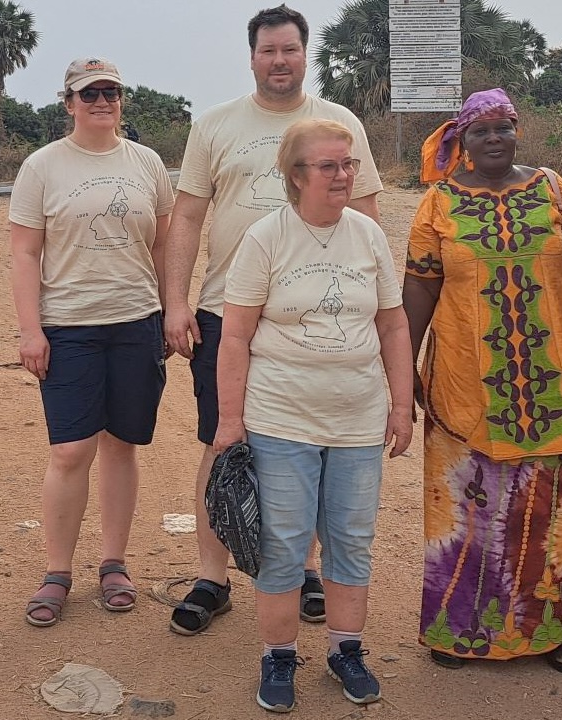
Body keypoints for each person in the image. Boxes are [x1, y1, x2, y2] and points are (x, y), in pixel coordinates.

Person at [162, 3, 384, 635]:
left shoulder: (339, 124)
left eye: (290, 50)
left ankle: (303, 569)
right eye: (268, 51)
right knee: (223, 439)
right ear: (252, 56)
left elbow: (365, 217)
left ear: (304, 54)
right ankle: (212, 575)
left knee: (310, 444)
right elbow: (186, 217)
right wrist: (176, 303)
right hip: (226, 314)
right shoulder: (215, 127)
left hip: (319, 318)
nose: (279, 61)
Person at [403, 88, 562, 674]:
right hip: (464, 381)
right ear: (461, 140)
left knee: (551, 502)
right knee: (469, 506)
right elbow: (420, 284)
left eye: (503, 127)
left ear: (518, 130)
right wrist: (402, 367)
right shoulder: (439, 203)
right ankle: (458, 628)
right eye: (480, 130)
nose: (493, 138)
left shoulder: (551, 189)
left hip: (552, 380)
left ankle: (551, 630)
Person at [213, 118, 411, 713]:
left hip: (357, 417)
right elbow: (235, 337)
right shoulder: (265, 238)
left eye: (348, 164)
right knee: (283, 543)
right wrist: (229, 421)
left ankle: (347, 650)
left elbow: (393, 323)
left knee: (352, 539)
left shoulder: (367, 235)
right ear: (296, 176)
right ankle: (278, 656)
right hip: (282, 417)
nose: (345, 175)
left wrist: (402, 404)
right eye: (329, 166)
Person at [8, 57, 174, 627]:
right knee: (71, 449)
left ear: (122, 99)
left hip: (136, 321)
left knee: (122, 444)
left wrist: (171, 310)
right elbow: (25, 253)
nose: (101, 101)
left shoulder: (147, 164)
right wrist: (31, 330)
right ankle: (58, 571)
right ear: (69, 102)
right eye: (89, 93)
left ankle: (113, 563)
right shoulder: (43, 167)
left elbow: (165, 248)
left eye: (111, 92)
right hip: (70, 325)